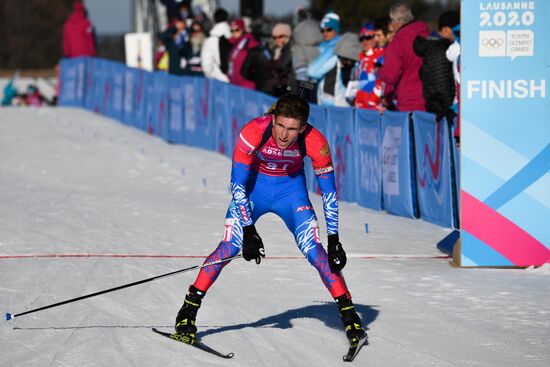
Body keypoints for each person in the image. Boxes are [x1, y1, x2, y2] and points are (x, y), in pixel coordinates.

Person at [174, 93, 367, 348]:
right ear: (273, 119)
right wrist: (249, 230)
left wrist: (334, 239)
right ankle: (188, 310)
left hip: (291, 192)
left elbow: (329, 193)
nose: (285, 135)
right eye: (280, 126)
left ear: (303, 128)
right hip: (255, 189)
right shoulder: (253, 131)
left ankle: (350, 316)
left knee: (316, 252)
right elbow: (238, 186)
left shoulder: (316, 141)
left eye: (292, 129)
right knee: (230, 246)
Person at [378, 2, 429, 112]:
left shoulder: (398, 43)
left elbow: (390, 76)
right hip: (431, 99)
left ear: (396, 22)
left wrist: (379, 71)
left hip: (408, 101)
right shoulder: (427, 35)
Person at [413, 10, 459, 121]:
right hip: (445, 112)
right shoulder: (438, 50)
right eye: (457, 30)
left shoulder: (439, 48)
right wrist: (450, 109)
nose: (459, 33)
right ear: (446, 30)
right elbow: (441, 84)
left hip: (441, 109)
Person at [241, 23, 295, 97]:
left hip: (286, 91)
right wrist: (258, 78)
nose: (277, 40)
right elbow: (244, 72)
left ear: (288, 36)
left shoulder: (290, 50)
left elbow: (281, 67)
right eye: (274, 37)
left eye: (280, 36)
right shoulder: (274, 50)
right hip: (269, 91)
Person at [346, 23, 385, 111]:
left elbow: (383, 82)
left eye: (368, 38)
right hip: (359, 107)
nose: (364, 41)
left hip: (376, 108)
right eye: (361, 39)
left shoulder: (382, 56)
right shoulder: (360, 58)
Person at [307, 12, 342, 105]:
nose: (325, 33)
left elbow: (312, 71)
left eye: (329, 29)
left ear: (336, 30)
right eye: (322, 30)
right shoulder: (324, 46)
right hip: (322, 98)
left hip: (335, 100)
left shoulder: (338, 47)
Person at [201, 8, 232, 82]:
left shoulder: (210, 40)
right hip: (232, 81)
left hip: (216, 80)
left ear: (214, 19)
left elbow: (206, 63)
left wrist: (208, 75)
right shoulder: (233, 37)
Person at [227, 19, 259, 90]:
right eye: (232, 30)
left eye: (237, 30)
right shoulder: (233, 44)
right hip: (234, 84)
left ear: (242, 29)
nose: (234, 32)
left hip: (247, 84)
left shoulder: (249, 42)